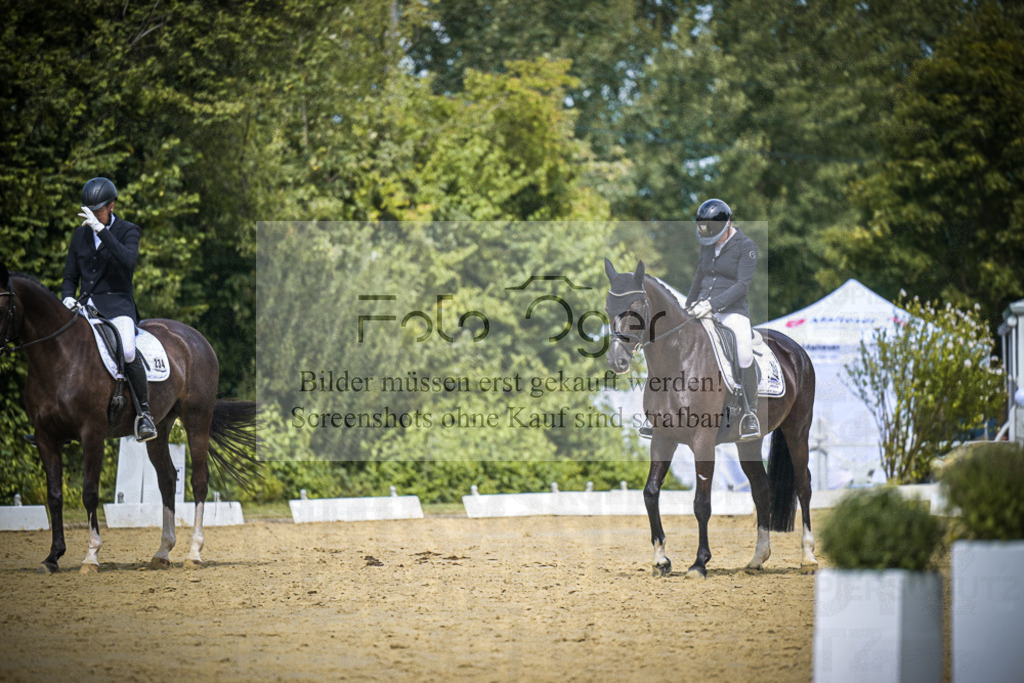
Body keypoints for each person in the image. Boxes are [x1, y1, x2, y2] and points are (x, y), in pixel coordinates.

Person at [61, 177, 157, 442]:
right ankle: (55, 418)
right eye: (89, 211)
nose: (92, 215)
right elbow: (70, 277)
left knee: (127, 350)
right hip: (85, 306)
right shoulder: (80, 235)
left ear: (111, 207)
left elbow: (128, 261)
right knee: (62, 348)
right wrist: (67, 298)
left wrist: (102, 231)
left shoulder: (128, 230)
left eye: (98, 210)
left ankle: (144, 414)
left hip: (117, 305)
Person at [686, 198, 760, 440]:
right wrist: (688, 305)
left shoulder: (747, 247)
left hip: (732, 312)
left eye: (715, 237)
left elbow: (742, 286)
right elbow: (699, 275)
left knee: (744, 352)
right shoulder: (707, 245)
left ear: (728, 224)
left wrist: (713, 304)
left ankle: (750, 412)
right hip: (701, 308)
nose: (712, 242)